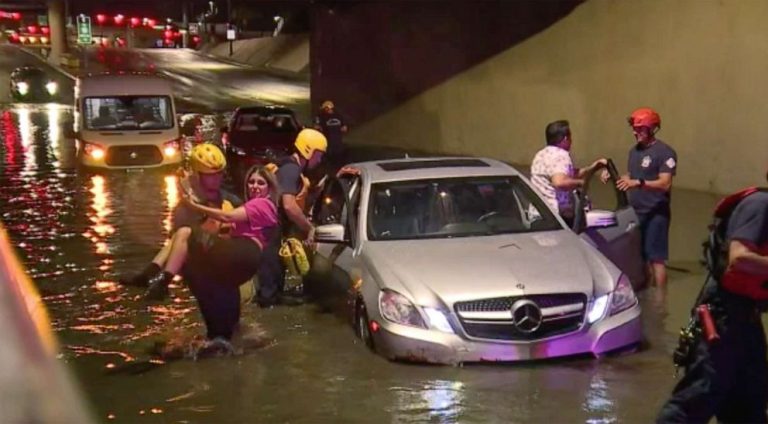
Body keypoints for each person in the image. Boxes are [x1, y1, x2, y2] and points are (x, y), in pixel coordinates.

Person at [656, 178, 768, 423]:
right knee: (698, 397)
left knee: (750, 402)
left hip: (746, 319)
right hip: (723, 317)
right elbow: (739, 258)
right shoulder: (761, 204)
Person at [119, 143, 241, 295]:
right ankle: (153, 275)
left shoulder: (231, 200)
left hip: (223, 253)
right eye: (210, 175)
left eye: (219, 174)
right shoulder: (185, 205)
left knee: (184, 232)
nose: (216, 179)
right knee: (182, 232)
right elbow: (177, 234)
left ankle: (158, 277)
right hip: (199, 255)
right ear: (196, 175)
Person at [257, 128, 327, 307]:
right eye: (318, 155)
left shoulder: (286, 166)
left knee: (273, 283)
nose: (319, 160)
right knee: (269, 294)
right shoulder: (292, 170)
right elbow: (288, 205)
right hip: (271, 230)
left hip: (268, 229)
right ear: (308, 150)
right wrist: (309, 227)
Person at [611, 107, 677, 287]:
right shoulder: (634, 152)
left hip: (656, 213)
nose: (635, 132)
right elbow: (632, 176)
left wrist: (639, 183)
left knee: (657, 259)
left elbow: (665, 183)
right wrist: (615, 177)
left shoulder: (665, 153)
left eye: (640, 129)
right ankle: (647, 292)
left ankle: (660, 300)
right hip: (636, 212)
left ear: (652, 129)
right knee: (641, 258)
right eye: (634, 128)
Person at [530, 120, 606, 226]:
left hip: (538, 217)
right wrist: (581, 183)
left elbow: (569, 174)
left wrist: (594, 167)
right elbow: (559, 182)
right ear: (566, 138)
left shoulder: (541, 155)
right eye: (570, 137)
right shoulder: (561, 155)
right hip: (556, 219)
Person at [313, 100, 348, 169]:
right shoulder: (321, 116)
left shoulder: (339, 116)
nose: (325, 110)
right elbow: (316, 126)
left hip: (337, 141)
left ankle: (337, 167)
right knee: (328, 156)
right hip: (327, 141)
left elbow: (344, 128)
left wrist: (340, 129)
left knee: (338, 156)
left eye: (326, 108)